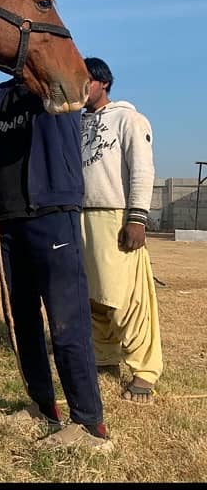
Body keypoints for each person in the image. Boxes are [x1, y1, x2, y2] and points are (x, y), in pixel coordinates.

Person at [0, 79, 112, 451]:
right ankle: (44, 406)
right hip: (6, 219)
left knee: (66, 321)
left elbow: (74, 92)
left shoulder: (59, 78)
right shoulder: (2, 93)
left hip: (52, 214)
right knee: (21, 318)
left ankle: (89, 424)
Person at [80, 57, 163, 405]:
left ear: (103, 83)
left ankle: (145, 371)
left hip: (116, 215)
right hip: (82, 215)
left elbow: (143, 170)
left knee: (126, 298)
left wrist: (137, 218)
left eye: (86, 82)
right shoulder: (78, 122)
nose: (81, 89)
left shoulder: (130, 118)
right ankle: (104, 357)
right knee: (94, 297)